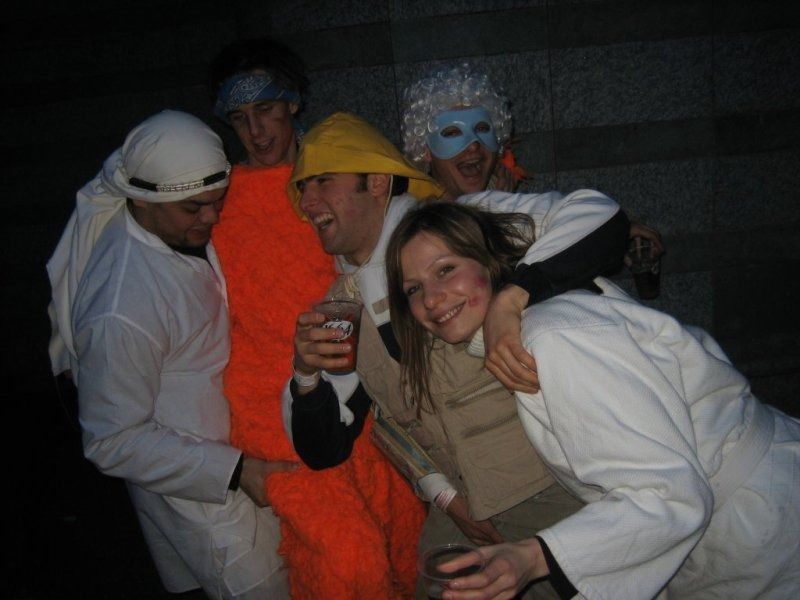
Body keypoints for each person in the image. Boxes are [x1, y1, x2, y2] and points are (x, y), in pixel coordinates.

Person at [285, 112, 630, 598]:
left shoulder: (460, 223)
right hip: (463, 519)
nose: (306, 202)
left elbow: (600, 216)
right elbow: (335, 445)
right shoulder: (341, 308)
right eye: (302, 188)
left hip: (558, 493)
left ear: (378, 182)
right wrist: (305, 375)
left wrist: (512, 299)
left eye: (323, 181)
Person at [385, 201, 800, 600]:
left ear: (488, 261)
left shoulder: (553, 335)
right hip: (737, 518)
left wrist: (531, 557)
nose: (431, 298)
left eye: (446, 269)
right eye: (414, 289)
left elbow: (666, 494)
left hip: (758, 525)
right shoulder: (531, 323)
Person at [208, 40, 423, 598]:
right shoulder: (219, 200)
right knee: (350, 561)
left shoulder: (334, 173)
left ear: (293, 102)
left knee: (405, 541)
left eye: (265, 109)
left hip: (363, 393)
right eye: (240, 117)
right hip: (272, 407)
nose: (256, 130)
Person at [45, 110, 290, 598]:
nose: (211, 218)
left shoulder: (165, 228)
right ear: (143, 197)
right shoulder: (121, 307)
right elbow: (111, 440)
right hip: (205, 493)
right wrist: (239, 471)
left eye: (217, 201)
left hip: (228, 450)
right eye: (194, 208)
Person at [400, 63, 665, 297]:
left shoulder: (503, 206)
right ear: (425, 150)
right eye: (452, 133)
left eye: (482, 129)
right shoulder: (416, 228)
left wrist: (605, 239)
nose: (473, 145)